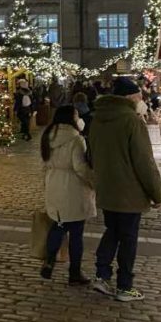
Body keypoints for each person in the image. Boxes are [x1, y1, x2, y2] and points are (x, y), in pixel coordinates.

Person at [89, 77, 161, 302]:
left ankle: (101, 275)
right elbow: (144, 161)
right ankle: (125, 286)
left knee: (112, 231)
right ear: (131, 97)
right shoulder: (131, 120)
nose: (142, 99)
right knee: (128, 238)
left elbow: (91, 155)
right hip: (129, 191)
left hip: (106, 187)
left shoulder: (98, 118)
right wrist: (157, 194)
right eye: (139, 96)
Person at [40, 105, 94, 286]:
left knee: (58, 224)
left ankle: (49, 260)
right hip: (73, 187)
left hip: (54, 181)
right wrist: (94, 182)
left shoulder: (48, 135)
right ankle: (75, 272)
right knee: (77, 232)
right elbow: (80, 167)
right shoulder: (76, 139)